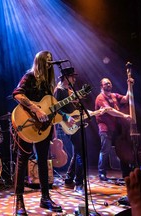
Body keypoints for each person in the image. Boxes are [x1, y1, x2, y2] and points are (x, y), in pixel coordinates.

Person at [12, 50, 63, 215]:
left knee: (43, 160)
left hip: (43, 128)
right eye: (47, 60)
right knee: (22, 160)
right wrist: (36, 110)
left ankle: (45, 197)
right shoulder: (30, 76)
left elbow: (49, 108)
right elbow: (17, 94)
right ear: (40, 61)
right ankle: (19, 201)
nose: (50, 63)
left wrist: (56, 122)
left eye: (51, 60)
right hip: (26, 123)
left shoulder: (49, 84)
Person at [54, 67, 85, 194]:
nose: (74, 78)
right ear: (66, 77)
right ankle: (79, 184)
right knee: (80, 152)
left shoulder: (69, 90)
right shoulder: (59, 90)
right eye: (72, 76)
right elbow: (54, 108)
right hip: (66, 124)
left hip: (75, 122)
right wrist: (66, 116)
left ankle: (69, 179)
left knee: (78, 150)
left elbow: (71, 106)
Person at [95, 77, 132, 181]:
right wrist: (124, 116)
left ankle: (125, 172)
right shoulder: (100, 97)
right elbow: (109, 110)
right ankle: (102, 173)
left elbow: (126, 98)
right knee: (105, 150)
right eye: (106, 83)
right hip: (105, 128)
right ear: (101, 86)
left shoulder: (114, 95)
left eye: (110, 83)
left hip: (116, 127)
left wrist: (129, 84)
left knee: (122, 149)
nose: (109, 85)